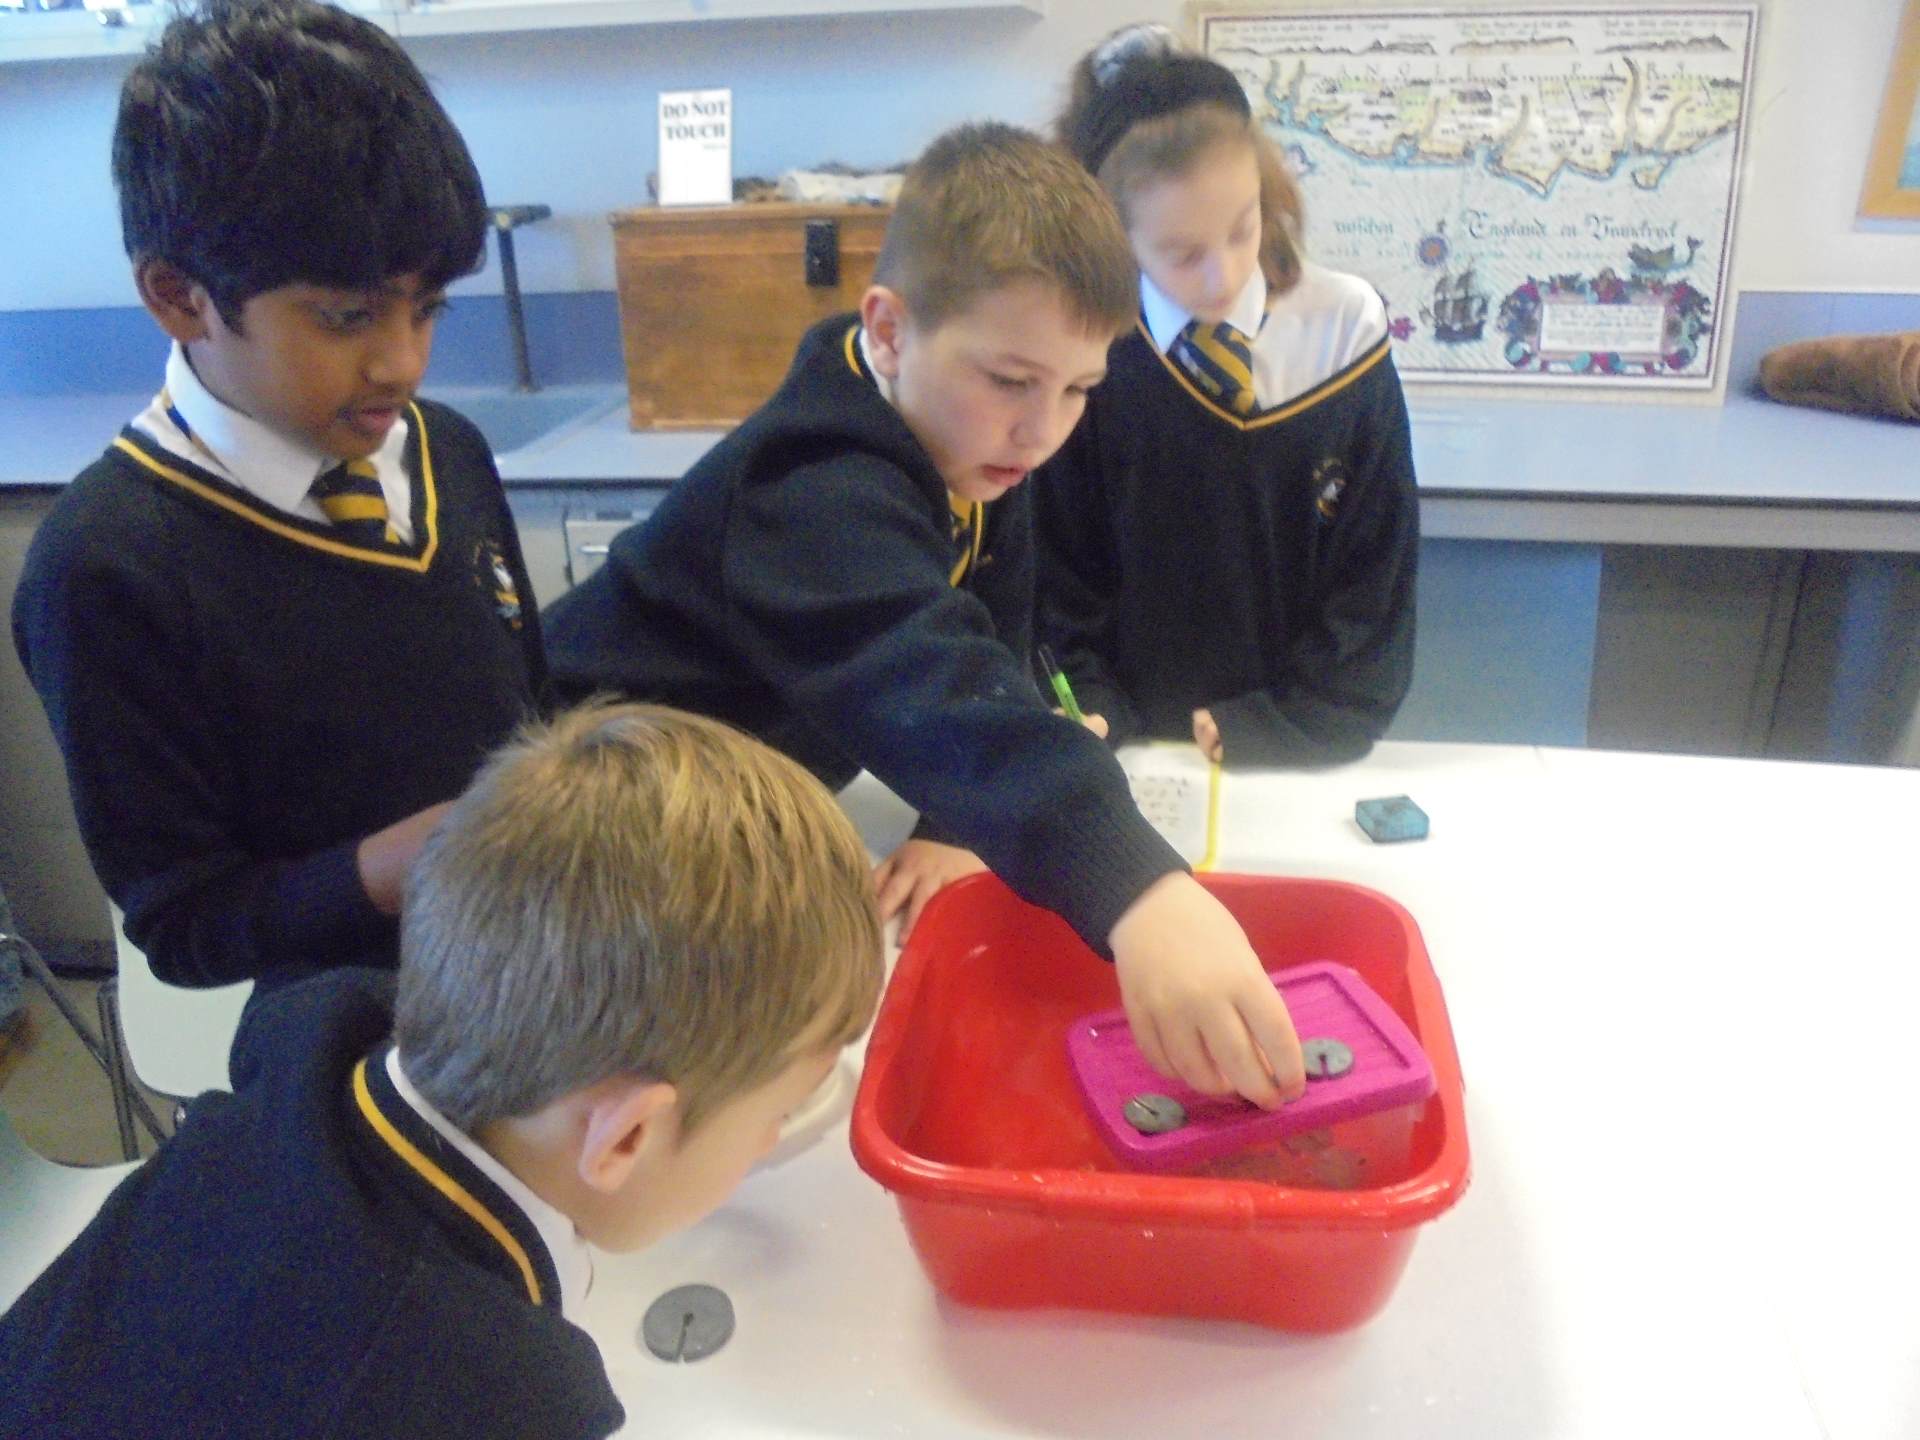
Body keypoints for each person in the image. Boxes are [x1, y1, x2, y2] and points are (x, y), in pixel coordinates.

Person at [545, 122, 1305, 1108]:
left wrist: (956, 818)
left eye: (1079, 389)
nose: (1043, 429)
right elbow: (930, 678)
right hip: (582, 830)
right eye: (1012, 380)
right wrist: (1138, 889)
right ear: (891, 329)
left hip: (725, 809)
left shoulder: (972, 440)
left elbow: (990, 641)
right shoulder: (808, 488)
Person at [0, 702, 885, 1439]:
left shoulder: (307, 1057)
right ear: (625, 1138)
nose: (773, 1139)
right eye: (778, 1112)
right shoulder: (504, 1396)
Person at [10, 0, 545, 990]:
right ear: (180, 297)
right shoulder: (106, 566)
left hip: (540, 975)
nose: (402, 363)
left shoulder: (448, 453)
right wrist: (409, 861)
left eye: (427, 309)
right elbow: (187, 926)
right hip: (346, 1034)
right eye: (346, 317)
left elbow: (528, 711)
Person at [1036, 23, 1419, 767]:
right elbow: (1059, 574)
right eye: (1182, 254)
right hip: (1130, 752)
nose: (1225, 275)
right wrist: (1091, 711)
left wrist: (1296, 719)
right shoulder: (1087, 353)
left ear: (1265, 192)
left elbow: (1377, 573)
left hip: (1299, 748)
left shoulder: (1344, 329)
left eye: (1242, 230)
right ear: (1115, 237)